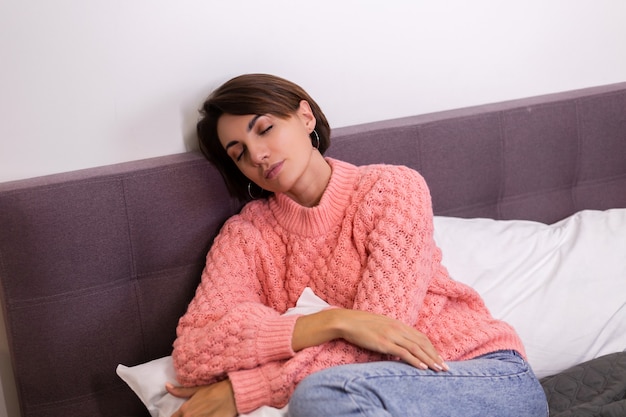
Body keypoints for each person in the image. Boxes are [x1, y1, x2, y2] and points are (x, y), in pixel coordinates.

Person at [166, 73, 548, 417]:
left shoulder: (391, 190)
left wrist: (251, 389)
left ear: (305, 117)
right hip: (376, 394)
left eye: (264, 129)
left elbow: (384, 335)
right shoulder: (246, 235)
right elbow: (194, 352)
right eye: (240, 154)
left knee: (323, 397)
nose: (258, 155)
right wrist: (335, 321)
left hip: (482, 374)